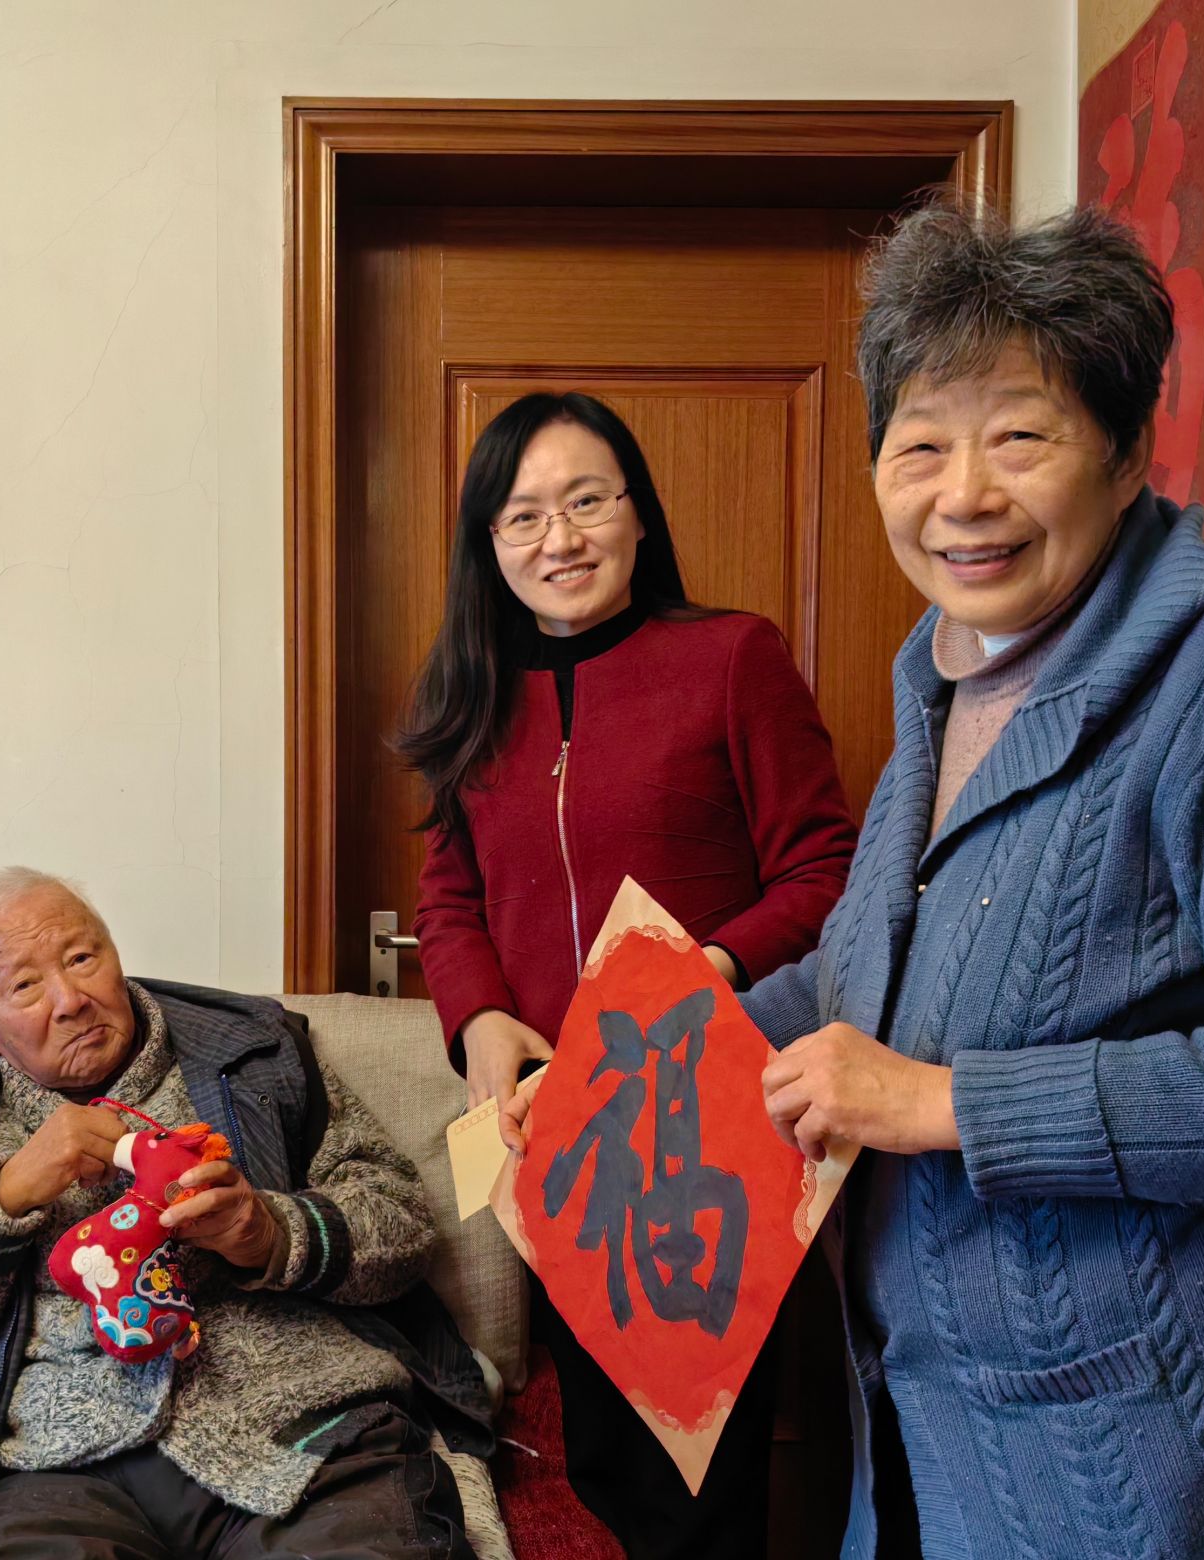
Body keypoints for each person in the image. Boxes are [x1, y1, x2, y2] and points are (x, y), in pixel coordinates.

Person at [739, 202, 1204, 1559]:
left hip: (1158, 1457)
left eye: (1018, 437)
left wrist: (947, 1104)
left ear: (1125, 457)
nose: (961, 495)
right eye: (919, 446)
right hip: (937, 1423)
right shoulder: (950, 680)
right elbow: (867, 967)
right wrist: (636, 1058)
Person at [398, 392, 859, 1559]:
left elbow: (825, 870)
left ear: (638, 516)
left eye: (586, 501)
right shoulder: (472, 696)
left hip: (707, 1126)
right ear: (488, 544)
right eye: (522, 516)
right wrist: (479, 1017)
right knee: (602, 1459)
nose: (558, 538)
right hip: (560, 1137)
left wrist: (700, 969)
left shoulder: (729, 658)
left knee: (703, 1481)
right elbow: (447, 898)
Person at [0, 866, 485, 1560]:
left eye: (82, 958)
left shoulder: (253, 1060)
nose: (71, 1001)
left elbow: (403, 1222)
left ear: (115, 954)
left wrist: (271, 1234)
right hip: (54, 1470)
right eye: (25, 986)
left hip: (300, 1434)